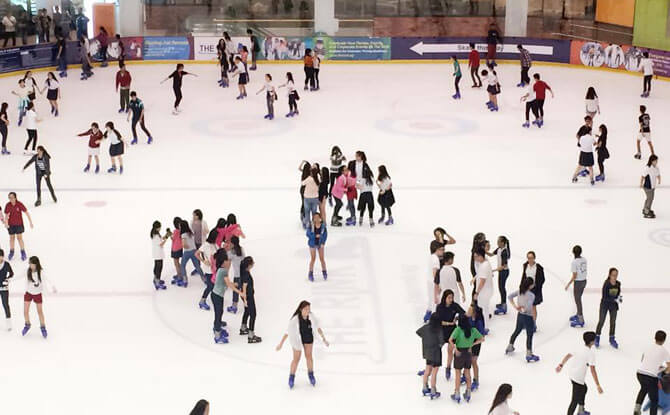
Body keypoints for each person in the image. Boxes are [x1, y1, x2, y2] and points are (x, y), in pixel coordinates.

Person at [276, 301, 330, 388]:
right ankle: (291, 377)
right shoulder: (294, 320)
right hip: (297, 339)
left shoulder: (311, 316)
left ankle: (311, 374)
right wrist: (281, 344)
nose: (308, 311)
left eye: (309, 309)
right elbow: (287, 332)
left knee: (309, 357)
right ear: (301, 309)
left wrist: (324, 339)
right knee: (296, 359)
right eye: (306, 309)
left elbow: (318, 327)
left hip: (308, 337)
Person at [556, 331, 604, 415]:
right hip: (578, 378)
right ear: (592, 342)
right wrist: (598, 385)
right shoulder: (590, 354)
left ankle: (581, 410)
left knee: (584, 389)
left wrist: (561, 365)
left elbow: (568, 355)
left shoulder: (578, 348)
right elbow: (593, 370)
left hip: (572, 374)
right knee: (574, 400)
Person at [449, 314, 484, 403]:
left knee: (458, 374)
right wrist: (472, 344)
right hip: (468, 353)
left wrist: (455, 348)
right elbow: (482, 339)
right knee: (467, 372)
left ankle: (457, 393)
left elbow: (450, 340)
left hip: (459, 353)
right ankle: (468, 392)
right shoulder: (473, 330)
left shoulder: (458, 330)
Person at [634, 331, 670, 415]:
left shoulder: (647, 347)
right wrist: (663, 370)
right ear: (664, 340)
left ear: (655, 338)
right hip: (650, 377)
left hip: (639, 373)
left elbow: (643, 360)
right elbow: (668, 368)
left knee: (643, 389)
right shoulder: (664, 351)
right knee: (654, 399)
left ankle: (636, 410)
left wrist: (656, 367)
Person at [433, 289, 465, 381]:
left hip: (452, 332)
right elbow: (438, 321)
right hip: (442, 331)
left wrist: (458, 317)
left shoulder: (454, 306)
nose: (451, 299)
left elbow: (463, 313)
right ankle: (430, 366)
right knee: (436, 350)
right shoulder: (440, 307)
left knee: (450, 351)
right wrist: (448, 323)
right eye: (449, 297)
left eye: (452, 297)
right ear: (445, 298)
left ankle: (448, 368)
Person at [505, 277, 540, 362]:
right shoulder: (531, 295)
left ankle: (510, 345)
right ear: (530, 286)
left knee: (517, 330)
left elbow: (510, 296)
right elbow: (528, 306)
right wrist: (523, 308)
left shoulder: (520, 291)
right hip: (528, 316)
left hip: (520, 315)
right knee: (529, 334)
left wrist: (516, 306)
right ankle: (529, 353)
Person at [21, 256, 56, 338]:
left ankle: (43, 327)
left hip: (37, 294)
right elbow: (18, 276)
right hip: (28, 293)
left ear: (36, 264)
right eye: (29, 264)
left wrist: (52, 287)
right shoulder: (27, 271)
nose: (30, 265)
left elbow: (47, 279)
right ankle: (27, 324)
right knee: (25, 311)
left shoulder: (41, 272)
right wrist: (9, 279)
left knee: (40, 311)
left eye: (31, 264)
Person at [416, 314, 444, 399]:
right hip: (436, 353)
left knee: (427, 369)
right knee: (434, 372)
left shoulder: (426, 327)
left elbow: (418, 332)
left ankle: (424, 387)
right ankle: (433, 390)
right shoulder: (439, 329)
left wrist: (425, 338)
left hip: (427, 352)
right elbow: (442, 341)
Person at [594, 268, 621, 349]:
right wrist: (614, 299)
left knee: (613, 322)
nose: (615, 277)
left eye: (616, 275)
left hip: (613, 306)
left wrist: (619, 298)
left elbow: (618, 293)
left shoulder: (618, 284)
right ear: (609, 275)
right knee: (601, 321)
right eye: (613, 275)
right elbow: (604, 297)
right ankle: (597, 336)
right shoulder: (606, 284)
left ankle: (612, 338)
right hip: (604, 305)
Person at [3, 192, 33, 261]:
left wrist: (30, 222)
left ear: (15, 198)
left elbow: (26, 213)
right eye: (9, 198)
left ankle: (23, 252)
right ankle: (11, 252)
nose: (11, 199)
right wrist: (6, 223)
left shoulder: (19, 204)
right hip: (11, 225)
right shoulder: (8, 205)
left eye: (12, 197)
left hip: (19, 224)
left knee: (19, 238)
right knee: (12, 238)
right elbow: (6, 215)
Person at [240, 256, 262, 343]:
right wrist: (245, 300)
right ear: (249, 265)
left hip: (247, 296)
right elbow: (244, 287)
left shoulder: (244, 271)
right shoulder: (246, 274)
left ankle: (243, 327)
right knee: (253, 314)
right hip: (248, 297)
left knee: (247, 311)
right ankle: (251, 335)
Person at [521, 251, 544, 331]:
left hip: (534, 290)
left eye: (531, 258)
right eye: (528, 258)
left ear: (534, 258)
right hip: (526, 289)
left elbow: (542, 279)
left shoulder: (538, 267)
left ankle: (533, 324)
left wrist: (535, 285)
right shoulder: (525, 265)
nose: (530, 259)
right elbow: (523, 276)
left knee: (533, 307)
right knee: (526, 307)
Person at [566, 245, 588, 327]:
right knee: (578, 299)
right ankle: (578, 314)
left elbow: (574, 275)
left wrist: (568, 284)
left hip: (578, 283)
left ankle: (581, 319)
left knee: (577, 300)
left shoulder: (574, 262)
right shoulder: (584, 259)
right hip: (584, 281)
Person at [473, 247, 493, 331]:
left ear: (480, 256)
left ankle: (485, 327)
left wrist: (476, 292)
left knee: (484, 309)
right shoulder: (484, 263)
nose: (474, 258)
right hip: (486, 290)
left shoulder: (484, 266)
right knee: (484, 308)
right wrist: (474, 278)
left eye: (476, 256)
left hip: (484, 291)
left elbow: (482, 281)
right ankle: (485, 326)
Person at [306, 212, 327, 282]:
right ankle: (310, 273)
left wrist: (323, 243)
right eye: (315, 217)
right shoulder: (311, 226)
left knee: (322, 259)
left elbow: (325, 235)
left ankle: (324, 271)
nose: (316, 219)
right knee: (313, 259)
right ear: (313, 219)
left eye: (318, 217)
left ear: (320, 218)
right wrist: (315, 236)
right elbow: (308, 234)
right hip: (312, 244)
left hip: (320, 244)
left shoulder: (323, 226)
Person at [426, 240, 444, 322]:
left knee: (431, 299)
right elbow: (435, 273)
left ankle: (428, 314)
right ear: (436, 249)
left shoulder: (432, 256)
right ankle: (433, 320)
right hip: (434, 283)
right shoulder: (436, 260)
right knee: (435, 301)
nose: (443, 251)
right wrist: (438, 285)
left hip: (430, 281)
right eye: (441, 249)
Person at [492, 236, 510, 315]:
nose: (497, 243)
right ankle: (502, 302)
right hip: (501, 271)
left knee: (502, 288)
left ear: (503, 242)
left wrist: (493, 270)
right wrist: (484, 251)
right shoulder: (498, 249)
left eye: (499, 241)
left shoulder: (504, 252)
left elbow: (504, 266)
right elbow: (491, 254)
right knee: (500, 287)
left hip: (504, 272)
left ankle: (504, 306)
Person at [150, 221, 169, 290]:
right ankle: (157, 282)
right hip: (158, 253)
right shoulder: (156, 235)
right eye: (160, 227)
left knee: (156, 266)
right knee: (159, 267)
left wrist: (166, 235)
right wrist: (166, 239)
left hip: (156, 253)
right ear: (157, 228)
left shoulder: (155, 234)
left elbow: (160, 239)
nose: (160, 228)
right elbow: (161, 244)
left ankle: (155, 279)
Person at [641, 155, 661, 219]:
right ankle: (647, 211)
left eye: (656, 160)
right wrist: (641, 183)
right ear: (652, 161)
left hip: (652, 186)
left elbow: (658, 174)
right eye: (655, 161)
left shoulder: (656, 167)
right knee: (650, 199)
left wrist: (659, 179)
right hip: (648, 187)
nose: (656, 162)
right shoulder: (648, 168)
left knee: (649, 198)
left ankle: (645, 209)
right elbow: (643, 176)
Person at [0, 249, 14, 331]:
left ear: (3, 256)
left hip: (4, 288)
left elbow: (12, 273)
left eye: (0, 256)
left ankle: (9, 322)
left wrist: (7, 280)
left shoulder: (6, 264)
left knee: (5, 304)